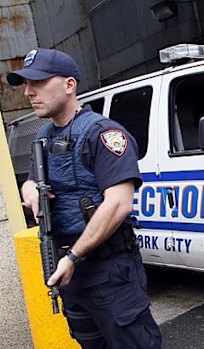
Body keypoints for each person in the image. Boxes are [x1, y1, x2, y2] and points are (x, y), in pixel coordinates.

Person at [8, 48, 162, 348]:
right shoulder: (44, 138)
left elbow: (118, 203)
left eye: (38, 82)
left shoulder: (103, 134)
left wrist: (73, 257)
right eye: (26, 84)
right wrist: (30, 192)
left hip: (109, 273)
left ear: (69, 85)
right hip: (70, 275)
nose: (28, 92)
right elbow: (31, 181)